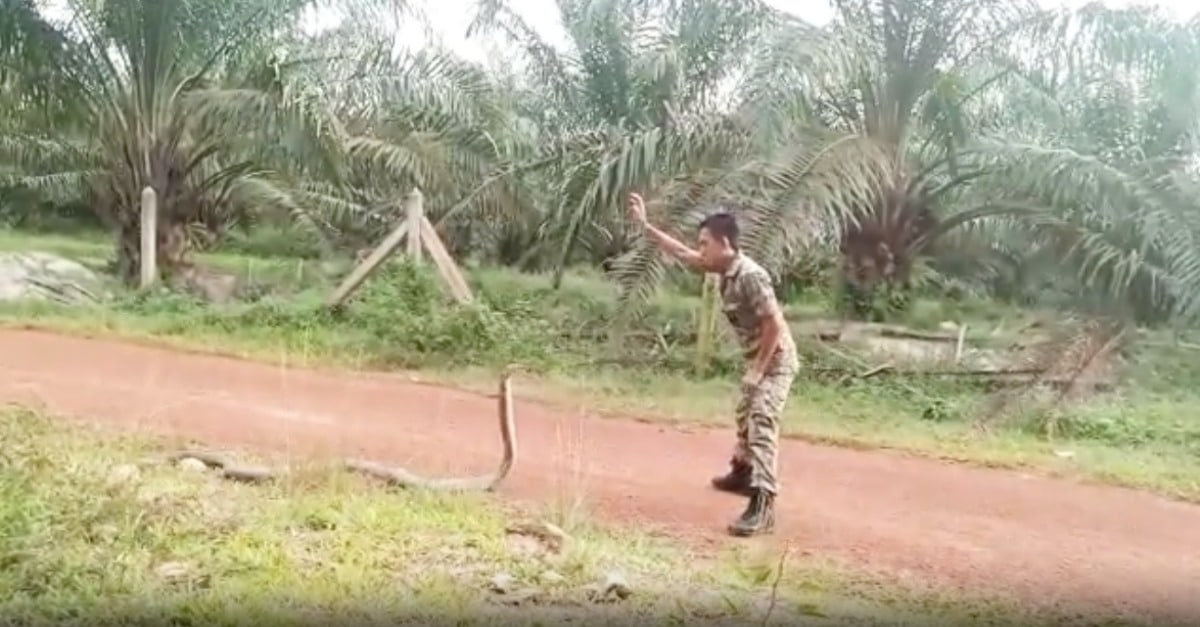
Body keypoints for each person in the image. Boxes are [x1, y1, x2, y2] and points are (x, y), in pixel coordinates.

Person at [627, 192, 799, 537]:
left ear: (724, 243)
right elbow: (681, 252)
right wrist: (646, 227)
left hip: (777, 360)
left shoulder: (751, 275)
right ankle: (742, 472)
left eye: (705, 243)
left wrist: (757, 370)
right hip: (759, 358)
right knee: (744, 414)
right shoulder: (721, 269)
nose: (700, 249)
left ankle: (763, 504)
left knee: (761, 417)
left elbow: (774, 325)